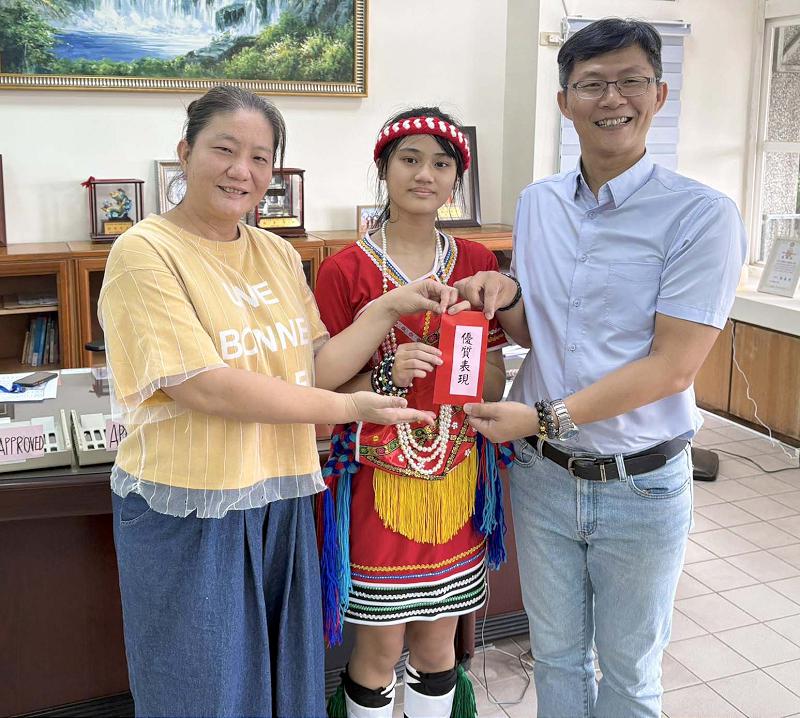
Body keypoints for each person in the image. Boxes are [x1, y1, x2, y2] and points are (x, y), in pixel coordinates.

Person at [98, 85, 460, 718]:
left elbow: (314, 366)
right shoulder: (145, 252)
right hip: (194, 503)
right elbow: (202, 384)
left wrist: (386, 309)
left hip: (281, 495)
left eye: (260, 158)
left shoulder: (276, 253)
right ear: (185, 152)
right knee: (204, 692)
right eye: (224, 150)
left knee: (284, 687)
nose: (242, 170)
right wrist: (349, 409)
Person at [456, 19, 748, 718]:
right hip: (543, 478)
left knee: (630, 675)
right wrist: (507, 296)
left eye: (631, 81)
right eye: (592, 84)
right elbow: (539, 334)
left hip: (640, 486)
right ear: (565, 101)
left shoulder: (702, 216)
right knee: (556, 659)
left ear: (659, 94)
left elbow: (672, 367)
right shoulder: (539, 203)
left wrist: (543, 417)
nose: (612, 98)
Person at [314, 107, 512, 718]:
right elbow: (321, 383)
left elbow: (495, 379)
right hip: (375, 482)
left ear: (456, 180)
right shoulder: (344, 269)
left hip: (456, 477)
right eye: (409, 159)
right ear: (384, 170)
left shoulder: (477, 262)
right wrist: (386, 373)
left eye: (441, 163)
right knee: (378, 647)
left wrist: (465, 364)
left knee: (437, 644)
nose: (425, 174)